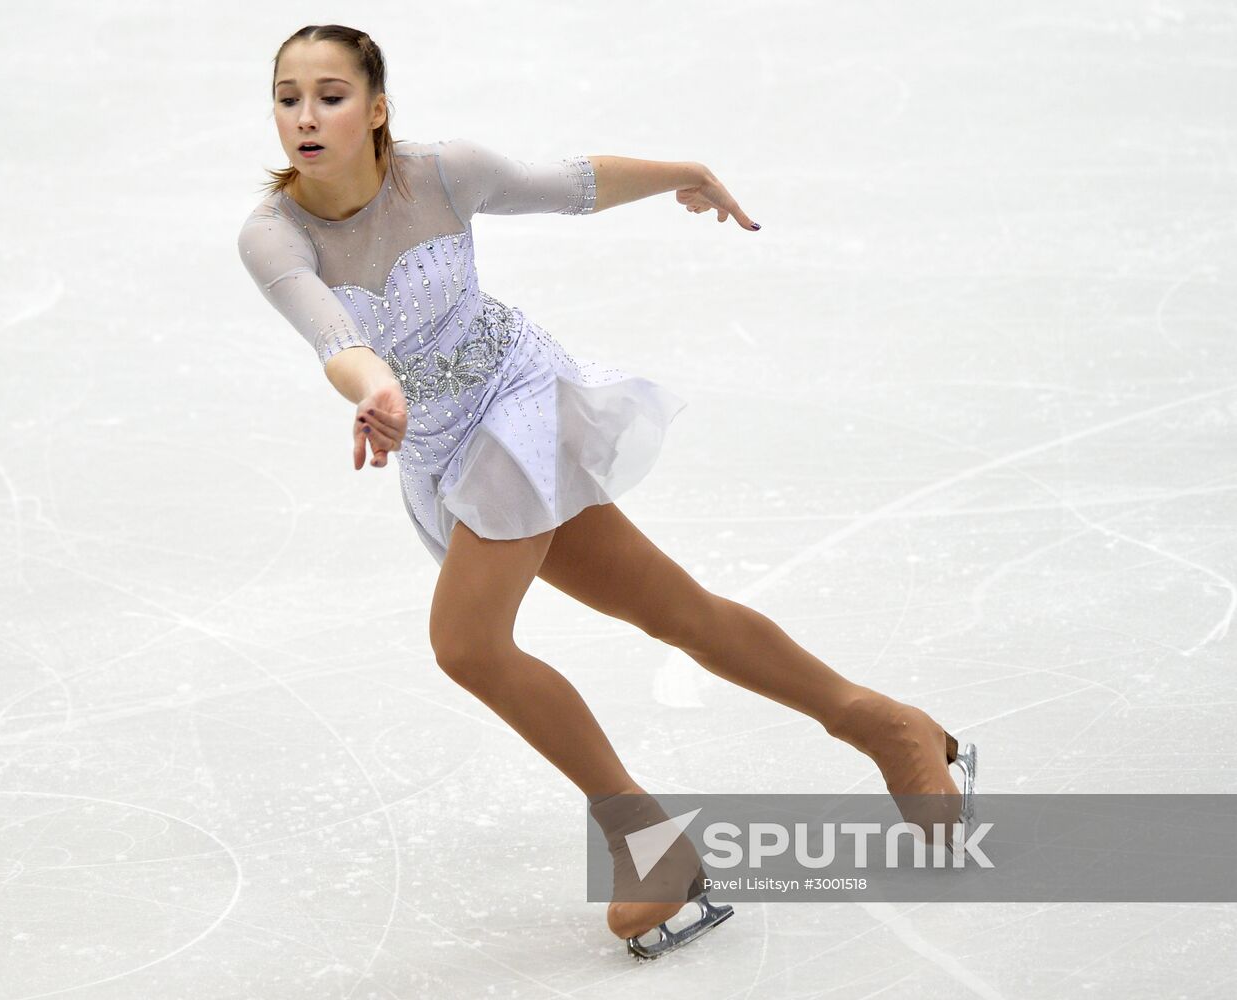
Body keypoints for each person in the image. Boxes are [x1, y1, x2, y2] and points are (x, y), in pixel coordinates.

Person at [237, 23, 977, 961]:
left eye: (330, 94)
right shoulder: (272, 235)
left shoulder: (441, 172)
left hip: (517, 408)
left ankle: (646, 840)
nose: (305, 116)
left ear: (376, 108)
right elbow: (333, 336)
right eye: (287, 96)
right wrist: (373, 388)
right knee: (678, 611)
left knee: (467, 645)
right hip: (439, 450)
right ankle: (882, 723)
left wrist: (681, 172)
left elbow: (570, 184)